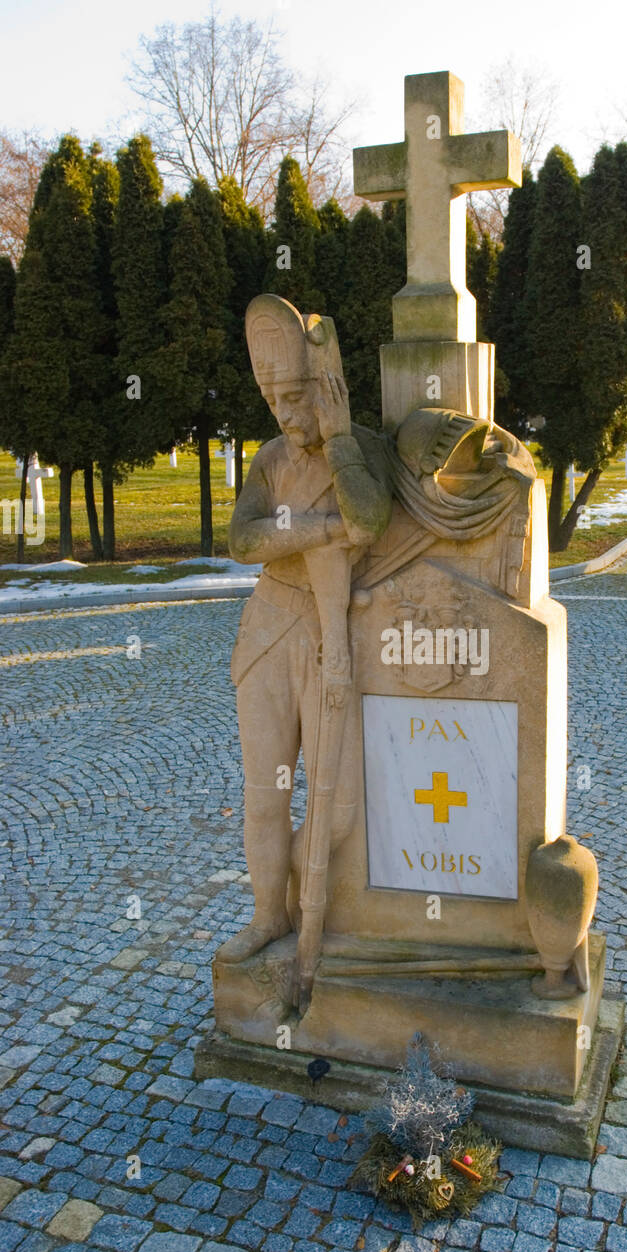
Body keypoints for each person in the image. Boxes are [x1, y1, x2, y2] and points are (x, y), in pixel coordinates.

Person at [217, 294, 391, 967]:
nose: (287, 417)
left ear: (328, 390)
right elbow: (242, 539)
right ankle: (269, 916)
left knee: (337, 806)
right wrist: (318, 532)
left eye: (298, 399)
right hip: (268, 628)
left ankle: (313, 901)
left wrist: (342, 438)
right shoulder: (271, 462)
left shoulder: (356, 451)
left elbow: (370, 521)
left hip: (331, 632)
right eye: (275, 403)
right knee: (265, 793)